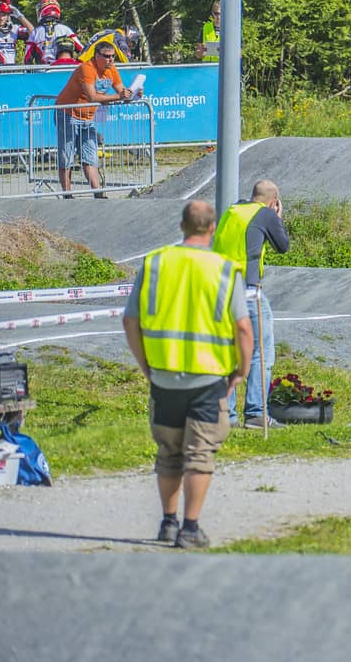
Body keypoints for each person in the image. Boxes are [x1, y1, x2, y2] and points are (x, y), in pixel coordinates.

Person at [121, 200, 253, 550]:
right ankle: (190, 527)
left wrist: (145, 363)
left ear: (181, 226)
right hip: (208, 377)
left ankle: (167, 521)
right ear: (212, 229)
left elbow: (129, 320)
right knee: (200, 453)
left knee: (168, 452)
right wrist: (242, 369)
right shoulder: (225, 270)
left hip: (164, 375)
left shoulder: (155, 263)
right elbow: (243, 328)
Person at [211, 180, 291, 429]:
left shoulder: (233, 211)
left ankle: (226, 414)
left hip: (218, 286)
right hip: (247, 289)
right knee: (261, 351)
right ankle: (257, 412)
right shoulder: (266, 214)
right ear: (273, 201)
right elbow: (283, 246)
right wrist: (277, 217)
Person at [53, 40, 134, 197]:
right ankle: (67, 194)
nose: (111, 60)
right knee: (66, 156)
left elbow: (122, 90)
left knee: (90, 156)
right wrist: (119, 96)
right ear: (97, 56)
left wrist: (133, 93)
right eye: (107, 56)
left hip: (87, 117)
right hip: (67, 114)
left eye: (113, 56)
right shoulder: (87, 68)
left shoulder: (112, 70)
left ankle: (98, 193)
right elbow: (91, 96)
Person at [26, 0, 82, 65]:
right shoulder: (65, 29)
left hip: (42, 72)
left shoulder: (35, 32)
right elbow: (82, 50)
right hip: (65, 70)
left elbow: (27, 58)